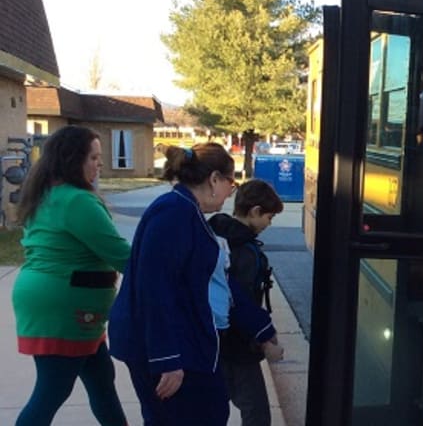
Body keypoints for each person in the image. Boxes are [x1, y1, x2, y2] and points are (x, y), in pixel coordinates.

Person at [108, 143, 279, 425]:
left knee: (210, 410)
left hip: (180, 339)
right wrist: (167, 359)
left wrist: (260, 326)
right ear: (214, 179)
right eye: (230, 183)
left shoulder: (188, 211)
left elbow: (217, 282)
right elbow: (154, 288)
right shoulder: (173, 213)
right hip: (161, 345)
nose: (230, 191)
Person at [10, 125, 130, 426]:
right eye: (93, 157)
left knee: (102, 379)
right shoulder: (77, 200)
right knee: (53, 389)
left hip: (56, 299)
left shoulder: (48, 193)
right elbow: (120, 255)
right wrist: (170, 269)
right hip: (65, 306)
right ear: (72, 159)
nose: (99, 164)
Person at [208, 179, 284, 426]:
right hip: (238, 345)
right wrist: (265, 336)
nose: (268, 224)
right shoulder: (243, 251)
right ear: (255, 212)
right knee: (257, 413)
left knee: (219, 405)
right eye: (269, 218)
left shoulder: (218, 234)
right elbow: (238, 301)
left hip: (214, 340)